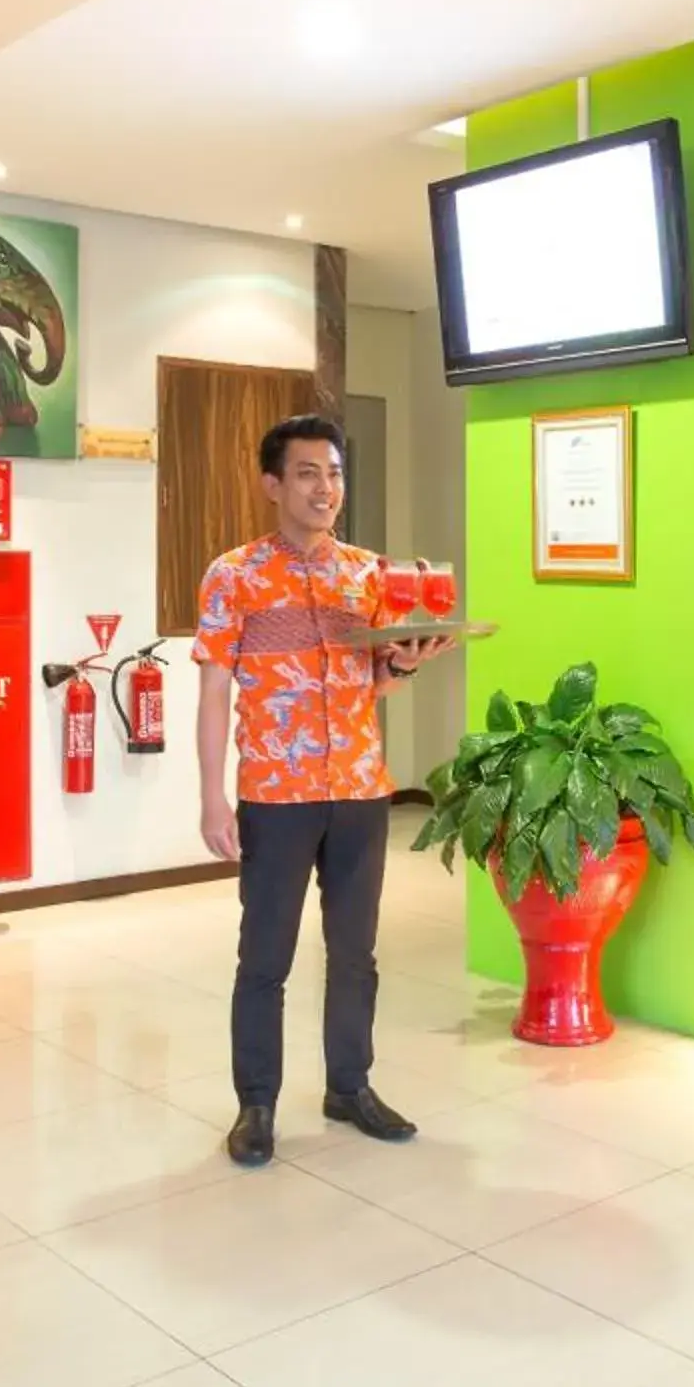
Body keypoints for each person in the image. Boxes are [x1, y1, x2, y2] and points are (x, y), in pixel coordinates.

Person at [193, 413, 449, 1168]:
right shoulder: (233, 574)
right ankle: (257, 1105)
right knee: (265, 958)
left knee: (356, 953)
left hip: (362, 789)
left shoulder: (367, 574)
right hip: (276, 792)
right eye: (307, 473)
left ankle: (350, 1086)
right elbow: (213, 693)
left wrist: (407, 662)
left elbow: (376, 678)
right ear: (272, 484)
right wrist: (214, 798)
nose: (325, 488)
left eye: (334, 473)